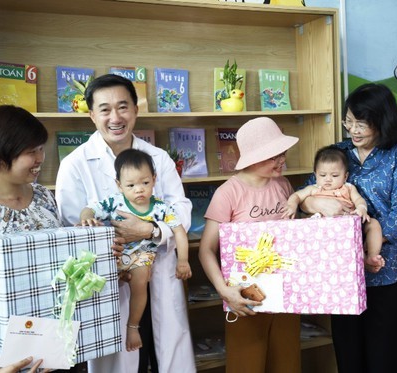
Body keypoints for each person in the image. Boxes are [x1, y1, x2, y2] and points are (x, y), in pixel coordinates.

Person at [55, 74, 195, 373]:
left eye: (123, 106)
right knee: (120, 360)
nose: (115, 117)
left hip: (160, 272)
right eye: (104, 109)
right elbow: (70, 226)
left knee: (163, 357)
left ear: (135, 109)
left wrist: (151, 231)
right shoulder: (75, 164)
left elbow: (181, 209)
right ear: (91, 115)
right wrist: (112, 244)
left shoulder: (158, 158)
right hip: (110, 281)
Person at [300, 83, 397, 372]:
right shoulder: (338, 153)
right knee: (348, 352)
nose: (353, 130)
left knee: (383, 354)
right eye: (349, 121)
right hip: (341, 271)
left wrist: (367, 239)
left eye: (362, 123)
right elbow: (306, 193)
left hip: (388, 271)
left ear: (383, 119)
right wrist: (316, 205)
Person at [198, 117, 301, 373]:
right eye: (273, 156)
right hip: (245, 296)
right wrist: (224, 290)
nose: (281, 161)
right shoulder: (228, 193)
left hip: (286, 294)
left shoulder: (284, 185)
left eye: (282, 154)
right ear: (253, 157)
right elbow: (206, 251)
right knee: (247, 362)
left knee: (287, 361)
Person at [0, 106, 58, 373]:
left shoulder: (44, 197)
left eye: (41, 148)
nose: (40, 158)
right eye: (31, 152)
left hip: (53, 352)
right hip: (5, 363)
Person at [79, 148, 192, 352]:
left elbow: (179, 231)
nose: (139, 190)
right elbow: (90, 208)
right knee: (98, 284)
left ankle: (133, 327)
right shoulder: (114, 202)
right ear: (119, 185)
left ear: (154, 179)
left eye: (145, 183)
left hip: (141, 256)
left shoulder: (161, 207)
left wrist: (183, 260)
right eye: (131, 185)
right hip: (115, 254)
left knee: (140, 282)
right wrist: (86, 217)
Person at [283, 145, 385, 271]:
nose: (328, 179)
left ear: (345, 176)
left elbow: (359, 200)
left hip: (349, 226)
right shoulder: (313, 189)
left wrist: (361, 208)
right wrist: (292, 204)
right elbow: (297, 196)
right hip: (323, 231)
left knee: (373, 224)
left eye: (335, 175)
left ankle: (371, 256)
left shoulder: (348, 188)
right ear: (315, 175)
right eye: (322, 175)